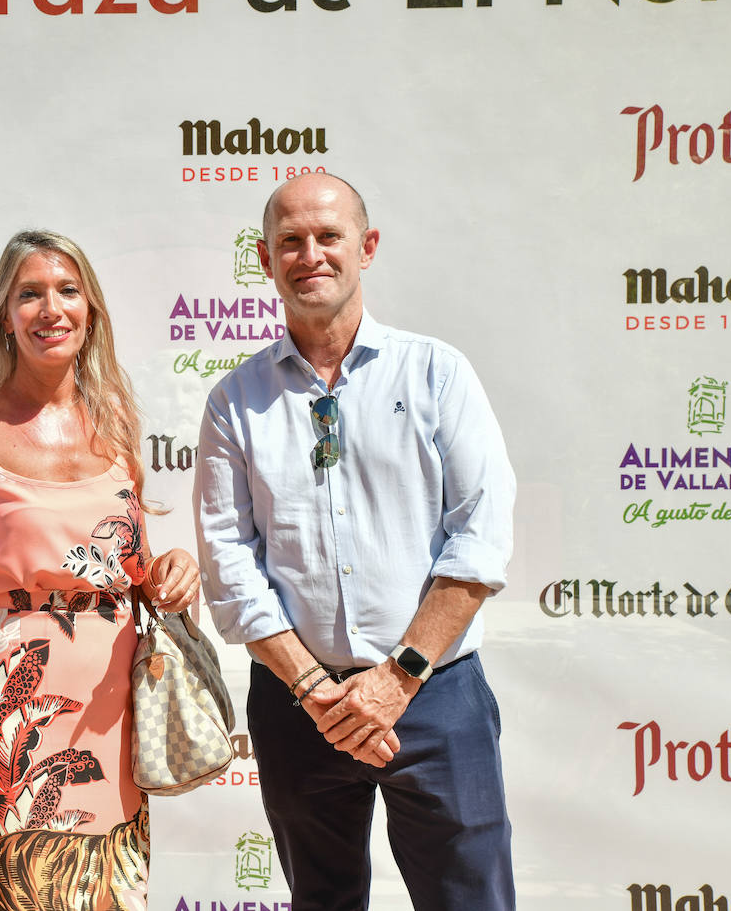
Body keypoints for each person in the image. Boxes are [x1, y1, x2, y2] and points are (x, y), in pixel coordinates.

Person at [193, 173, 516, 911]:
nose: (310, 255)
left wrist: (395, 680)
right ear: (266, 260)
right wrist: (315, 691)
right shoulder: (234, 401)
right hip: (298, 706)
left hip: (433, 696)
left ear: (365, 247)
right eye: (290, 242)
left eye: (328, 236)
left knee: (471, 900)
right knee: (322, 900)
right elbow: (229, 562)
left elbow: (480, 536)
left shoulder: (436, 372)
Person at [0, 230, 200, 910]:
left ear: (91, 311)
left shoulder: (114, 420)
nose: (52, 309)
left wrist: (174, 565)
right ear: (3, 316)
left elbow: (128, 566)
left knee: (112, 889)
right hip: (17, 705)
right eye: (30, 294)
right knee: (21, 890)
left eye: (68, 291)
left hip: (114, 702)